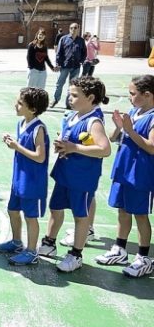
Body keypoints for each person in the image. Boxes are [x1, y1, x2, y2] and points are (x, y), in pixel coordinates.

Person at [39, 76, 111, 272]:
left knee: (80, 216)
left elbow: (105, 149)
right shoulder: (73, 116)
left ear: (90, 98)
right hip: (65, 173)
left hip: (82, 178)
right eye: (70, 94)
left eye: (75, 95)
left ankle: (76, 254)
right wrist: (63, 144)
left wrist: (74, 147)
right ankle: (49, 242)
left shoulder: (93, 121)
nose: (70, 98)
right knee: (55, 208)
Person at [95, 75, 154, 277]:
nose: (129, 97)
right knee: (122, 210)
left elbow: (151, 147)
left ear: (147, 95)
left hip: (140, 175)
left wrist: (130, 130)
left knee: (140, 215)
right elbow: (113, 138)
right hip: (123, 170)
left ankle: (144, 257)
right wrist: (120, 127)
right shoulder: (134, 112)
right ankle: (120, 249)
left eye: (132, 93)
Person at [0, 87, 51, 266]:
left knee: (30, 217)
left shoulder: (39, 129)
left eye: (20, 103)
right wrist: (13, 142)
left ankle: (32, 251)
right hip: (19, 179)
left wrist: (17, 147)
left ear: (32, 109)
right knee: (12, 210)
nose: (16, 105)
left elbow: (40, 157)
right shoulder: (21, 124)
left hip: (32, 182)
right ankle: (17, 241)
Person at [51, 23, 86, 108]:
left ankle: (69, 103)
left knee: (72, 86)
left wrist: (81, 61)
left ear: (78, 29)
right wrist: (58, 64)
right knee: (59, 84)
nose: (73, 29)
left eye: (75, 28)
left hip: (76, 67)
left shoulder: (81, 41)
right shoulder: (63, 39)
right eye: (71, 28)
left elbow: (84, 53)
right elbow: (59, 52)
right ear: (69, 29)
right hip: (64, 66)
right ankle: (55, 99)